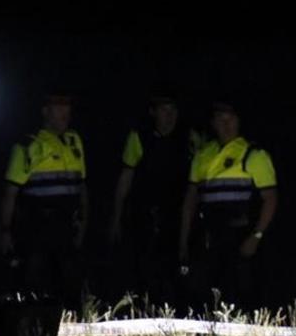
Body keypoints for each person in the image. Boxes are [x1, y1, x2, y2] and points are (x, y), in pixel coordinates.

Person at [178, 101, 278, 309]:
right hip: (208, 237)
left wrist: (256, 237)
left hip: (240, 237)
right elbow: (190, 201)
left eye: (230, 118)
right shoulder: (203, 154)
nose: (225, 124)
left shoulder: (253, 154)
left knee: (240, 295)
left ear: (239, 121)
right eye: (220, 119)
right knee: (203, 294)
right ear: (213, 122)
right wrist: (184, 241)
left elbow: (271, 198)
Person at [109, 92, 202, 306]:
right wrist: (115, 218)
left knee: (180, 271)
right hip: (146, 214)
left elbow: (199, 181)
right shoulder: (139, 136)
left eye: (173, 110)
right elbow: (126, 178)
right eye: (164, 110)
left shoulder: (190, 137)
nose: (169, 116)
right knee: (145, 270)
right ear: (153, 112)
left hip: (180, 215)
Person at [0, 94, 89, 309]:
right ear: (45, 111)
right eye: (58, 107)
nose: (64, 112)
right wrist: (4, 230)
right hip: (38, 227)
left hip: (68, 227)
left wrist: (84, 220)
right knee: (35, 286)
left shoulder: (74, 141)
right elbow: (10, 192)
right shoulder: (28, 145)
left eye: (67, 106)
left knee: (71, 285)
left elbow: (82, 185)